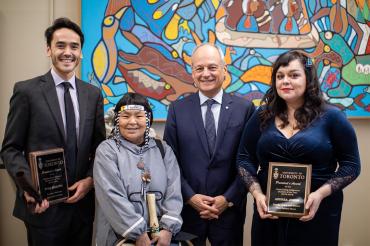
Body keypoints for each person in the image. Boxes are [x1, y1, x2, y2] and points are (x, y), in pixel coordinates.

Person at [236, 50, 361, 245]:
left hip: (317, 212)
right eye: (280, 76)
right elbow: (244, 158)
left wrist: (320, 195)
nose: (285, 81)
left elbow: (351, 165)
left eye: (294, 75)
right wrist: (257, 194)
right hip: (270, 214)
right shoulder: (262, 115)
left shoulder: (333, 117)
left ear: (308, 78)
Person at [1, 17, 105, 245]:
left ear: (81, 53)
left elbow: (100, 147)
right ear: (48, 49)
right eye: (60, 45)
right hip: (43, 208)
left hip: (81, 209)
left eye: (74, 47)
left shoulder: (93, 94)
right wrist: (29, 188)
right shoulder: (26, 92)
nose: (67, 52)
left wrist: (90, 180)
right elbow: (10, 149)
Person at [164, 43, 255, 246]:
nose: (206, 74)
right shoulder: (177, 109)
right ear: (192, 73)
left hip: (229, 211)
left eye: (212, 67)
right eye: (199, 68)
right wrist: (190, 197)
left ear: (224, 70)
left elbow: (249, 160)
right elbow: (170, 161)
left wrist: (228, 198)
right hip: (187, 210)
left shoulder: (245, 109)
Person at [94, 92, 183, 246]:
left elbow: (174, 192)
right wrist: (138, 233)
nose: (132, 122)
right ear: (117, 120)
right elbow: (111, 195)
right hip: (120, 238)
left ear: (148, 119)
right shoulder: (107, 150)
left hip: (160, 239)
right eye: (126, 116)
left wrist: (168, 230)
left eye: (139, 116)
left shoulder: (163, 149)